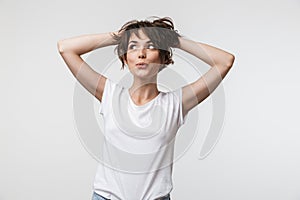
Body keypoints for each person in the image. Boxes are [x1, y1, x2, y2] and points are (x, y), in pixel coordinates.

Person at [57, 17, 235, 200]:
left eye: (150, 46)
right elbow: (66, 48)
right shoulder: (110, 95)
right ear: (125, 58)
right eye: (133, 46)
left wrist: (173, 40)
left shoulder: (177, 103)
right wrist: (119, 36)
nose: (141, 53)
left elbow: (225, 61)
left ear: (164, 57)